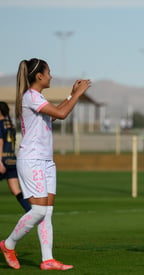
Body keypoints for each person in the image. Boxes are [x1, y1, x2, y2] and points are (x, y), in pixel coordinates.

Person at [0, 58, 91, 270]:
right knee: (39, 211)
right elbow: (62, 113)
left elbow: (56, 115)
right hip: (32, 160)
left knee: (47, 212)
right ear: (39, 76)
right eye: (48, 72)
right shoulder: (30, 96)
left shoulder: (37, 97)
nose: (51, 76)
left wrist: (70, 94)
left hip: (46, 161)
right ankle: (8, 244)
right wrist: (78, 93)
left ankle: (48, 259)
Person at [0, 101, 31, 212]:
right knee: (16, 190)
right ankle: (30, 212)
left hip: (3, 160)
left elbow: (0, 142)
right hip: (12, 161)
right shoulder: (10, 125)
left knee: (16, 190)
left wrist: (0, 162)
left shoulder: (0, 124)